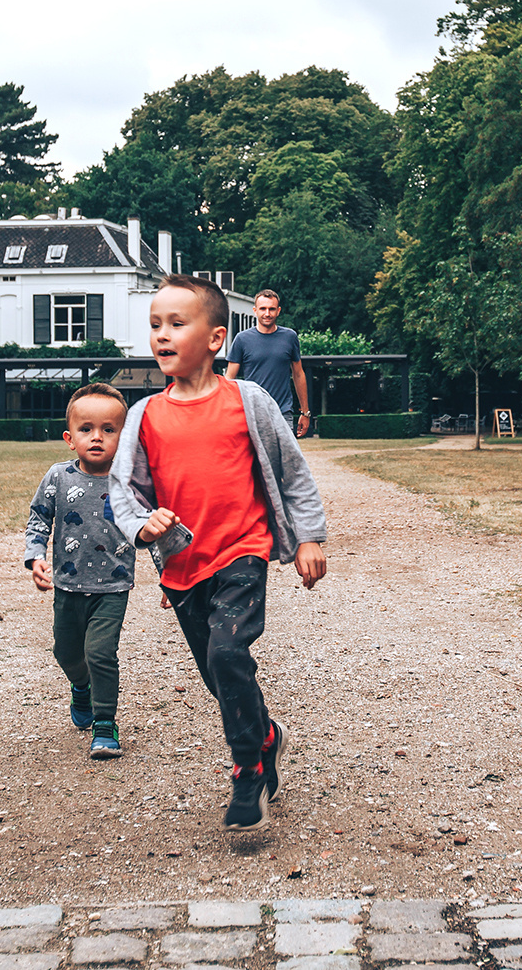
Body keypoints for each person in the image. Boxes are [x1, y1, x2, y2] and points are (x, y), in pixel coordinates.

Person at [110, 274, 328, 830]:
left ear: (215, 339)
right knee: (217, 673)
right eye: (155, 325)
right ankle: (268, 733)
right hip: (184, 566)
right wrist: (143, 526)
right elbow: (125, 491)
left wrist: (307, 537)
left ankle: (247, 767)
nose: (162, 335)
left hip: (242, 551)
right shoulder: (144, 416)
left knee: (228, 655)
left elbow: (293, 473)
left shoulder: (247, 401)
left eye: (176, 324)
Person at [22, 382, 135, 760]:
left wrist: (168, 575)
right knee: (67, 652)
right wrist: (35, 556)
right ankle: (80, 686)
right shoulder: (58, 477)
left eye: (109, 429)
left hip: (113, 586)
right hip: (68, 585)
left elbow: (150, 529)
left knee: (101, 652)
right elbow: (39, 519)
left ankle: (105, 724)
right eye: (87, 429)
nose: (97, 437)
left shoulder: (130, 483)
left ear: (124, 434)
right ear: (70, 438)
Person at [226, 288, 310, 438]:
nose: (267, 313)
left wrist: (305, 412)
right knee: (254, 460)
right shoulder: (242, 339)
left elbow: (298, 374)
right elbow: (229, 379)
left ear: (278, 311)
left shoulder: (290, 337)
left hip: (283, 412)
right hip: (252, 413)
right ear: (255, 310)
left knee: (285, 461)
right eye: (263, 309)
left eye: (271, 309)